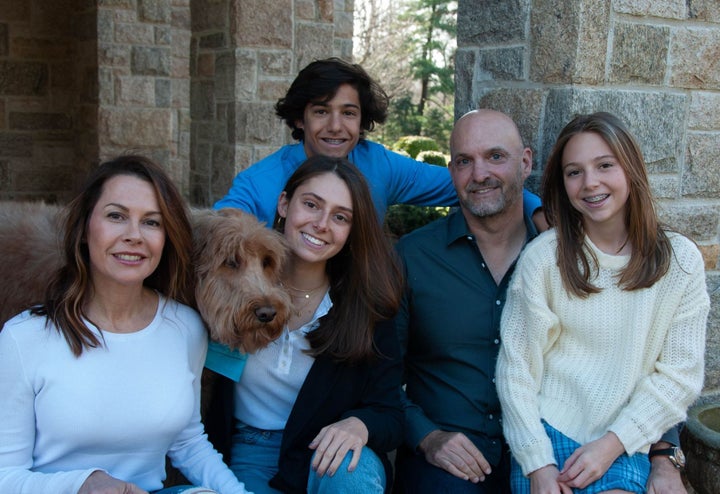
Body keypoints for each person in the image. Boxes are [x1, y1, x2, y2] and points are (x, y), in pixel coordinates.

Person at [393, 109, 692, 494]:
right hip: (452, 459)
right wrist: (427, 437)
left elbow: (643, 361)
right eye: (465, 161)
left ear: (526, 162)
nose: (480, 173)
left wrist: (665, 456)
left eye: (496, 156)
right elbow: (379, 372)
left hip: (565, 443)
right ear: (452, 170)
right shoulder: (414, 256)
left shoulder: (566, 254)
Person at [0, 156, 250, 494]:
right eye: (116, 216)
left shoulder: (185, 328)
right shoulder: (24, 337)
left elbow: (188, 443)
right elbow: (5, 476)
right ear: (85, 229)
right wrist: (82, 484)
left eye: (151, 222)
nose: (134, 235)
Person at [496, 112, 708, 494]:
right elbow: (517, 372)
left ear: (630, 168)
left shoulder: (681, 261)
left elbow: (680, 376)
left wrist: (614, 443)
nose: (590, 183)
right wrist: (536, 465)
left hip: (625, 439)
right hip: (548, 433)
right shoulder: (545, 258)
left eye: (604, 165)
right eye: (574, 172)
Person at [219, 155, 404, 494]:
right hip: (250, 450)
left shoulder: (366, 307)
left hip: (327, 453)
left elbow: (390, 412)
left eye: (340, 217)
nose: (321, 223)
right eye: (311, 204)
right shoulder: (233, 283)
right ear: (284, 204)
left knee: (352, 474)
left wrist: (360, 424)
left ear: (351, 231)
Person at [213, 57, 543, 226]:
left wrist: (538, 211)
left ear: (362, 119)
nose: (335, 127)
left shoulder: (378, 164)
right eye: (321, 111)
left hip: (360, 317)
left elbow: (470, 181)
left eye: (348, 113)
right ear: (300, 118)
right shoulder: (259, 183)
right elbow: (217, 228)